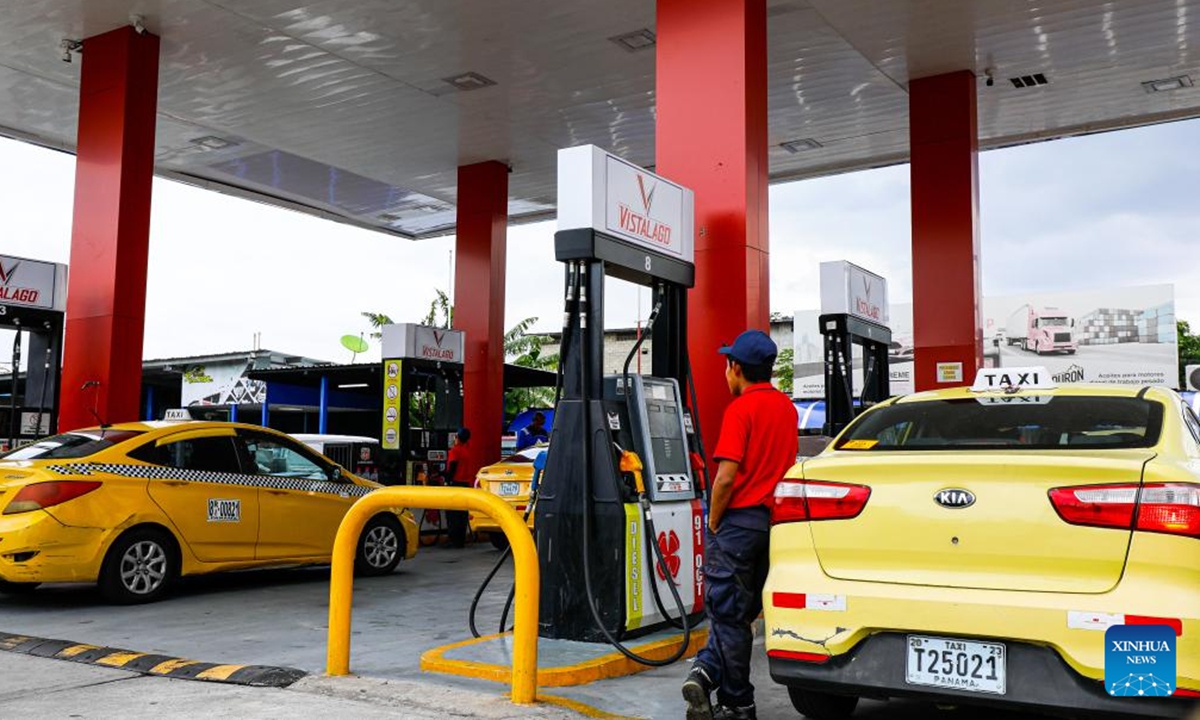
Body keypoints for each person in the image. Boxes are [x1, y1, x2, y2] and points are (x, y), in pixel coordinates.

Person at [682, 330, 799, 720]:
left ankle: (738, 702)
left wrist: (713, 520)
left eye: (726, 364)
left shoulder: (740, 410)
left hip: (737, 523)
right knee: (742, 611)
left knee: (727, 612)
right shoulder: (786, 408)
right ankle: (705, 670)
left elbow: (726, 477)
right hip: (775, 526)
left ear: (735, 368)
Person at [444, 427, 474, 548]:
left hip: (455, 484)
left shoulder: (455, 451)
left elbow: (452, 467)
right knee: (462, 514)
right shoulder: (467, 451)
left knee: (452, 514)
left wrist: (447, 480)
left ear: (457, 437)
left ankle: (453, 539)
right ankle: (460, 539)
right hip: (465, 485)